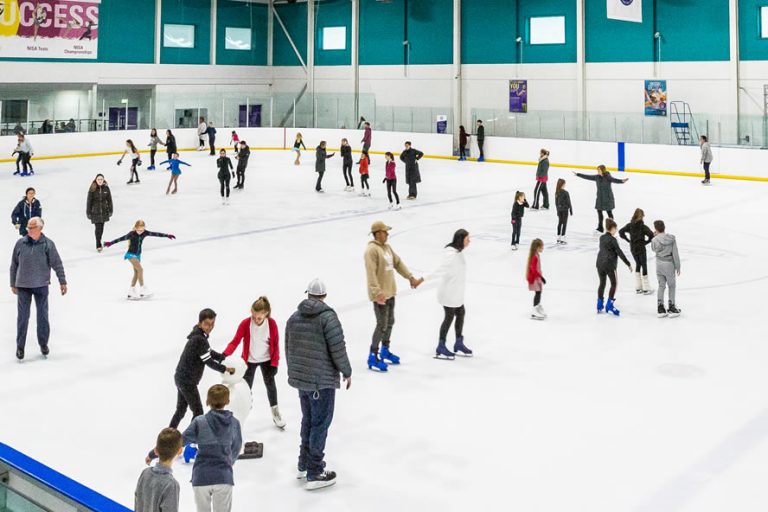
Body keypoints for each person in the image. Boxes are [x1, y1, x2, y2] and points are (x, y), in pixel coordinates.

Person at [285, 278, 352, 490]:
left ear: (308, 294)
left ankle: (303, 464)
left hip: (302, 381)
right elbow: (338, 348)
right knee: (320, 424)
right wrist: (347, 371)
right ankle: (315, 471)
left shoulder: (293, 318)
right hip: (321, 382)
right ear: (324, 295)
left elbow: (288, 348)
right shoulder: (328, 318)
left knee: (308, 421)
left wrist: (295, 374)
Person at [146, 310, 236, 465]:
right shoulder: (199, 339)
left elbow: (208, 353)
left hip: (181, 378)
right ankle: (185, 444)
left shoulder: (199, 336)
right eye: (207, 324)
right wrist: (225, 369)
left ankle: (165, 444)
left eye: (212, 324)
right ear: (200, 323)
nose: (210, 327)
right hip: (187, 381)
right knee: (198, 412)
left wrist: (221, 357)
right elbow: (208, 361)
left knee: (181, 410)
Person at [364, 221, 424, 371]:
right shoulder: (371, 250)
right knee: (381, 324)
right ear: (378, 233)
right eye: (385, 231)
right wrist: (377, 292)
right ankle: (373, 355)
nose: (387, 234)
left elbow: (398, 263)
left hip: (390, 292)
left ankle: (385, 350)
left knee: (390, 322)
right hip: (380, 295)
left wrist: (410, 277)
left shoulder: (387, 248)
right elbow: (371, 273)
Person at [223, 297, 286, 429]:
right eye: (254, 316)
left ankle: (275, 411)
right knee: (246, 388)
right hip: (250, 361)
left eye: (259, 318)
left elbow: (275, 345)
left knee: (270, 385)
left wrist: (275, 363)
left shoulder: (271, 324)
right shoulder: (246, 323)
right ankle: (244, 409)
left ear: (266, 313)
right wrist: (224, 355)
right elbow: (235, 341)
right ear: (251, 312)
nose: (256, 320)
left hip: (267, 360)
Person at [10, 217, 67, 361]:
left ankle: (43, 344)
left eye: (32, 228)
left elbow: (57, 263)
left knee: (42, 316)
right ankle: (20, 347)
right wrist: (13, 283)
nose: (29, 230)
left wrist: (62, 281)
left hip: (41, 285)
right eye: (28, 227)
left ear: (40, 228)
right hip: (23, 286)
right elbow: (14, 264)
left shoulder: (48, 244)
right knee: (23, 317)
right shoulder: (20, 243)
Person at [183, 385, 242, 512]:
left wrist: (155, 453)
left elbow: (181, 441)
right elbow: (236, 447)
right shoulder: (234, 423)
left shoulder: (199, 422)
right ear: (227, 401)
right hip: (223, 476)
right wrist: (228, 462)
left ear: (208, 401)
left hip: (201, 476)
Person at [104, 220, 176, 299]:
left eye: (142, 230)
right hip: (130, 254)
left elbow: (155, 234)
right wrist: (110, 243)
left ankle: (131, 292)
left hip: (138, 255)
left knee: (136, 272)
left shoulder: (145, 233)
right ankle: (143, 289)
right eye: (139, 230)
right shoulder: (131, 234)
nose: (140, 232)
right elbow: (120, 239)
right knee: (140, 270)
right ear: (135, 228)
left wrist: (167, 235)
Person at [430, 229, 472, 359]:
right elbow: (440, 270)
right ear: (461, 240)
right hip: (448, 293)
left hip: (456, 293)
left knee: (461, 313)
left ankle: (458, 342)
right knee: (449, 317)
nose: (469, 241)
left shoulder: (458, 252)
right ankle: (441, 346)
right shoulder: (451, 255)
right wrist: (421, 279)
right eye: (467, 239)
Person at [135, 428, 183, 512]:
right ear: (180, 451)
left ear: (156, 450)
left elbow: (137, 502)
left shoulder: (145, 473)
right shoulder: (171, 485)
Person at [574, 165, 629, 233]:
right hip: (600, 198)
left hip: (607, 198)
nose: (598, 171)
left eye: (599, 170)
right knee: (599, 212)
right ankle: (600, 228)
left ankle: (612, 227)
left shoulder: (608, 177)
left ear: (603, 170)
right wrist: (578, 174)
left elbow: (614, 180)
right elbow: (588, 177)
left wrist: (621, 181)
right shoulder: (597, 177)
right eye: (597, 170)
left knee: (609, 212)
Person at [596, 219, 632, 316]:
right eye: (615, 229)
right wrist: (628, 263)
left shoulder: (601, 237)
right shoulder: (613, 240)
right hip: (609, 264)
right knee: (614, 284)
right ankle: (609, 305)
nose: (616, 230)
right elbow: (619, 252)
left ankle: (599, 304)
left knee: (602, 283)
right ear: (612, 228)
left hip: (599, 263)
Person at [619, 208, 655, 295]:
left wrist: (628, 240)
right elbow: (651, 235)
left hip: (633, 248)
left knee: (638, 264)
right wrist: (646, 242)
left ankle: (638, 288)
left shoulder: (629, 225)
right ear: (641, 216)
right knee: (644, 265)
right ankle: (646, 288)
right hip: (641, 248)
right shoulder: (643, 227)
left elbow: (621, 232)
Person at [651, 220, 682, 318]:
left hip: (659, 264)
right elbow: (675, 253)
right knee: (671, 285)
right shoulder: (671, 239)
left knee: (661, 285)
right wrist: (678, 266)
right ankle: (671, 306)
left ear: (656, 229)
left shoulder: (655, 240)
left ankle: (660, 308)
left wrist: (655, 237)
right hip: (669, 264)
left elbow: (654, 249)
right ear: (664, 227)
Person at [86, 174, 113, 252]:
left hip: (104, 211)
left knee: (101, 228)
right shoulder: (92, 188)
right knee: (98, 228)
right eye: (98, 179)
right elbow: (89, 201)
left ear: (103, 180)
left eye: (101, 179)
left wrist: (111, 210)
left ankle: (99, 240)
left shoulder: (106, 188)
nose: (100, 181)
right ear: (96, 180)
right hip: (95, 212)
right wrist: (88, 212)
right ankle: (98, 244)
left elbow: (109, 200)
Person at [527, 239, 547, 320]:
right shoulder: (535, 256)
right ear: (538, 247)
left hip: (537, 277)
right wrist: (541, 277)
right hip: (535, 278)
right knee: (538, 293)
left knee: (539, 292)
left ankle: (537, 307)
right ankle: (534, 311)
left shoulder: (536, 254)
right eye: (542, 247)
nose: (543, 248)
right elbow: (533, 269)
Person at [555, 178, 572, 244]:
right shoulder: (565, 192)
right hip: (565, 210)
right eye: (564, 184)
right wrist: (571, 209)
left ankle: (558, 238)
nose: (565, 185)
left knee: (560, 223)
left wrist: (557, 210)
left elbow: (556, 203)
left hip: (559, 210)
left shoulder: (557, 192)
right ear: (562, 184)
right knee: (564, 223)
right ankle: (562, 238)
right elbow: (568, 202)